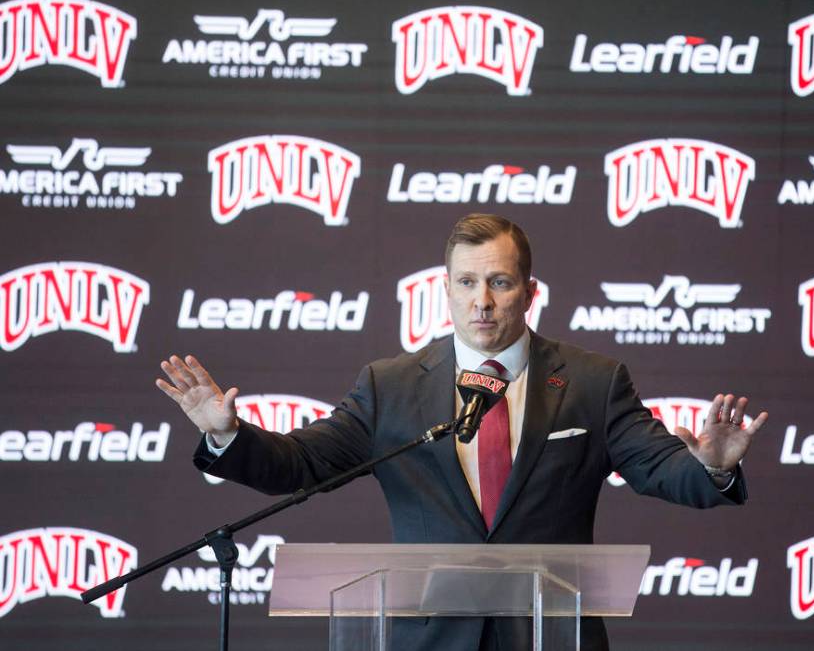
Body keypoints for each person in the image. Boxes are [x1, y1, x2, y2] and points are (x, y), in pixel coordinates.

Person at [157, 213, 768, 651]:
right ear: (446, 291)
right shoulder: (391, 384)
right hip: (428, 639)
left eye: (499, 282)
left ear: (529, 292)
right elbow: (301, 464)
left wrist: (712, 465)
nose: (482, 301)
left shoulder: (592, 382)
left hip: (551, 639)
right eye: (467, 283)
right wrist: (228, 436)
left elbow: (660, 467)